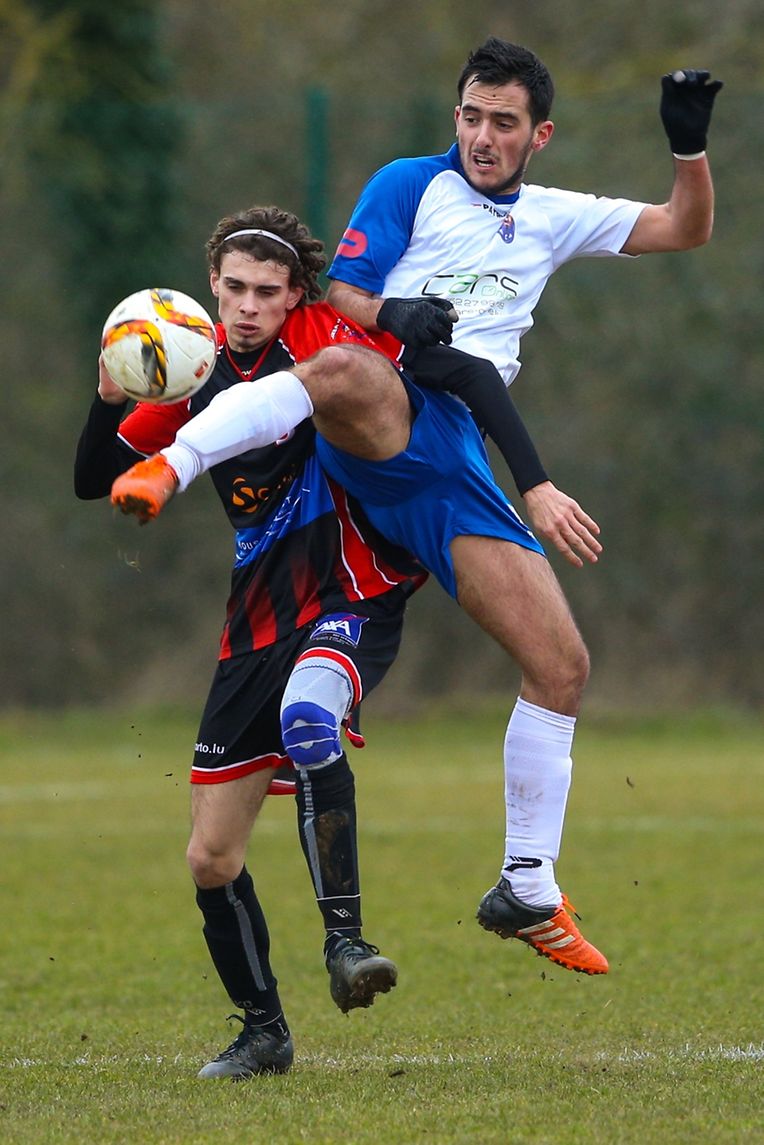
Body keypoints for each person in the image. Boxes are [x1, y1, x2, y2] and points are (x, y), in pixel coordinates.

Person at [77, 205, 580, 1080]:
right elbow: (93, 478)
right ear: (212, 288)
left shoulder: (322, 341)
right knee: (209, 856)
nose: (246, 307)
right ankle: (263, 1030)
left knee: (311, 717)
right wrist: (111, 395)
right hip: (255, 614)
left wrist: (519, 465)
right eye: (233, 288)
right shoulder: (190, 373)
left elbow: (432, 366)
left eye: (265, 292)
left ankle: (347, 943)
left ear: (294, 296)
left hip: (352, 585)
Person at [325, 38, 722, 386]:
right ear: (456, 118)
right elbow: (341, 297)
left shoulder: (552, 214)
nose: (482, 138)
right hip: (383, 390)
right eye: (472, 118)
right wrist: (391, 313)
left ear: (541, 136)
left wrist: (688, 148)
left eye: (504, 123)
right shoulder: (406, 182)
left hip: (465, 422)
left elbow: (682, 228)